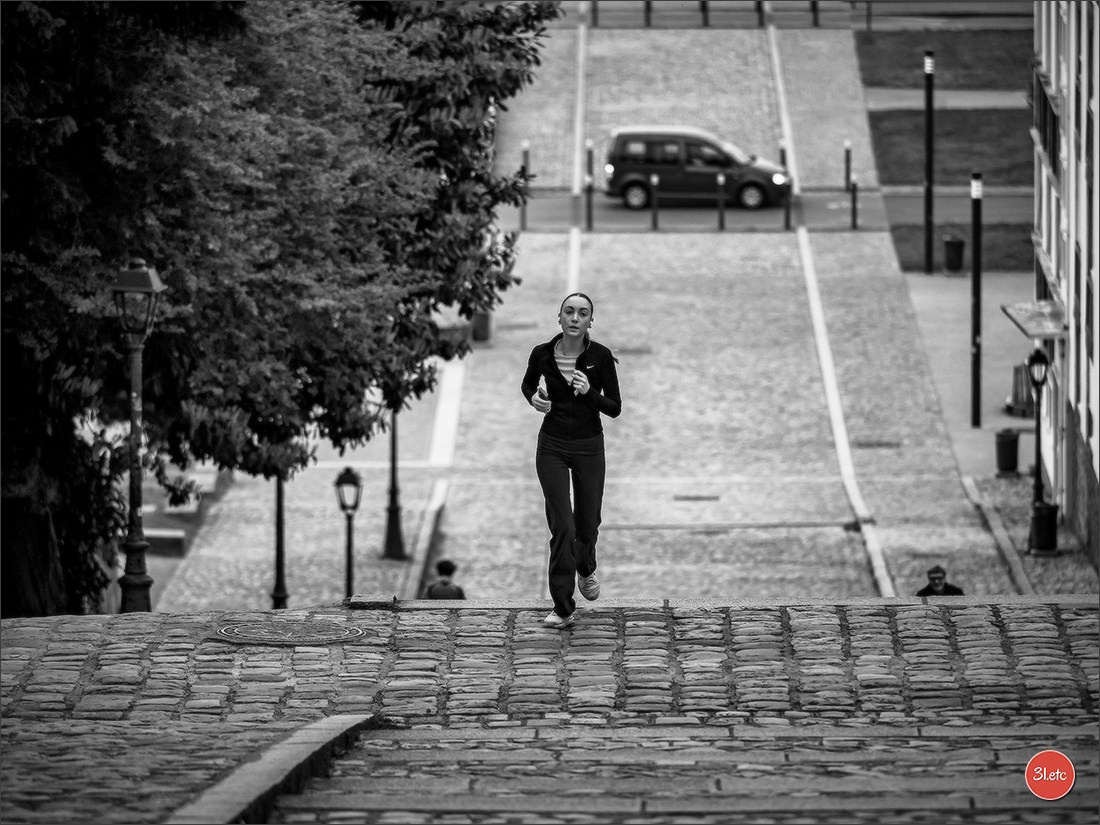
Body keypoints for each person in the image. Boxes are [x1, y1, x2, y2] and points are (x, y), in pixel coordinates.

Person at [521, 292, 622, 629]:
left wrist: (590, 393)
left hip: (589, 446)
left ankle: (586, 565)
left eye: (583, 313)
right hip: (551, 446)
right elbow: (527, 387)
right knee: (562, 525)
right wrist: (535, 399)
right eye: (569, 312)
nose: (575, 317)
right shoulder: (542, 355)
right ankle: (563, 606)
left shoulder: (601, 357)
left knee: (587, 522)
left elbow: (614, 407)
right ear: (560, 318)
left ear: (590, 321)